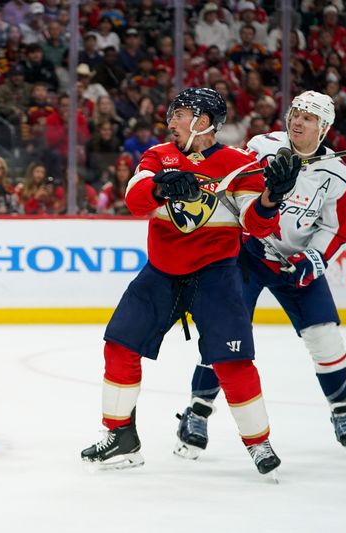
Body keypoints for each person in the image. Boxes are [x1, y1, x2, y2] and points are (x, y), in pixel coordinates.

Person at [80, 88, 301, 476]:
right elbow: (135, 198)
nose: (171, 121)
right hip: (162, 271)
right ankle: (121, 437)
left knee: (232, 361)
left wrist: (271, 197)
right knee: (118, 346)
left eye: (180, 114)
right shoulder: (159, 155)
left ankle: (258, 442)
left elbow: (255, 223)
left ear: (204, 121)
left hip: (215, 275)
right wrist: (163, 186)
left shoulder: (240, 165)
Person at [175, 91, 346, 459]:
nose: (298, 121)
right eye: (295, 114)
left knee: (325, 338)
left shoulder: (337, 174)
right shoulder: (262, 147)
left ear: (324, 129)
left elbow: (334, 228)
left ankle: (344, 413)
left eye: (308, 118)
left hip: (296, 264)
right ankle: (197, 412)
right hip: (248, 256)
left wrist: (314, 258)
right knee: (225, 335)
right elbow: (230, 183)